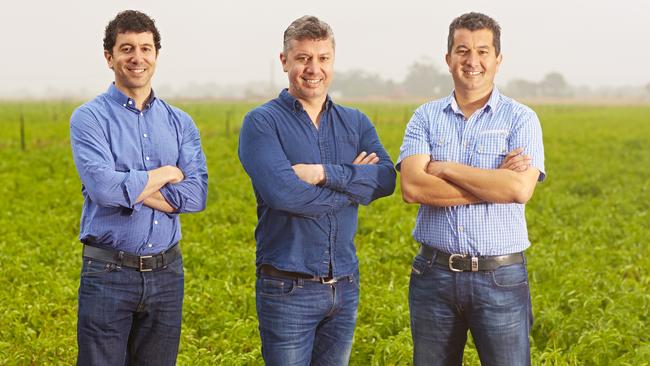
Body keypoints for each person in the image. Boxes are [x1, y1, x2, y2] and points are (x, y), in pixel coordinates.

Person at [238, 15, 396, 366]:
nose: (313, 68)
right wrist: (355, 186)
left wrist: (321, 173)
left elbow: (385, 179)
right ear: (284, 61)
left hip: (344, 285)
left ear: (333, 61)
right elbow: (284, 195)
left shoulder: (355, 121)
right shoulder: (261, 123)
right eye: (303, 58)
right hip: (287, 288)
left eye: (322, 58)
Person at [397, 12, 545, 366]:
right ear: (448, 58)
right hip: (433, 275)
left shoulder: (521, 119)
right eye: (462, 51)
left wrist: (447, 169)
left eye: (483, 51)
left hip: (501, 278)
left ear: (498, 59)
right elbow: (413, 186)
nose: (472, 61)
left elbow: (520, 189)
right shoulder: (425, 117)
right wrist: (494, 182)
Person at [70, 10, 208, 365]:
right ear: (109, 57)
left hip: (167, 274)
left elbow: (196, 196)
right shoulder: (89, 118)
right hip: (108, 274)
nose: (137, 58)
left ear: (156, 56)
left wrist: (128, 184)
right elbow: (103, 189)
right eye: (126, 48)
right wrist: (165, 173)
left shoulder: (180, 122)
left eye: (146, 48)